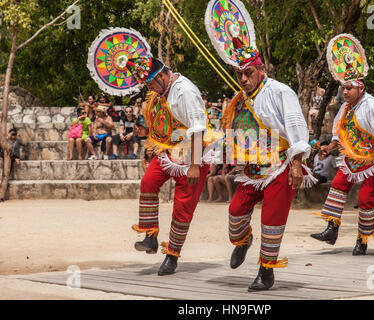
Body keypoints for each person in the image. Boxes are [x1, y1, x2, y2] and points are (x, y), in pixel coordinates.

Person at [220, 35, 315, 291]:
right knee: (235, 213)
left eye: (248, 73)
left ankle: (266, 272)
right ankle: (243, 241)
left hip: (282, 164)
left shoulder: (281, 91)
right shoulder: (240, 98)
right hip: (252, 169)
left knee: (272, 220)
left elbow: (296, 127)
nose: (243, 79)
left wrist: (297, 163)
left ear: (261, 70)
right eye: (238, 74)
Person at [127, 56, 212, 276]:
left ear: (163, 75)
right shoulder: (160, 92)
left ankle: (172, 255)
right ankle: (151, 236)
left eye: (152, 83)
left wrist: (194, 165)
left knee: (182, 208)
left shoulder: (185, 92)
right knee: (148, 182)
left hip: (193, 153)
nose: (151, 89)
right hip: (169, 150)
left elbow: (198, 128)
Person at [310, 56, 374, 256]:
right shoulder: (345, 107)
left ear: (361, 88)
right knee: (337, 186)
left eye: (349, 88)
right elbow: (340, 135)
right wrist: (329, 147)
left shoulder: (373, 106)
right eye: (344, 88)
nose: (345, 91)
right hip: (353, 157)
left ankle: (362, 240)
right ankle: (331, 230)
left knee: (366, 199)